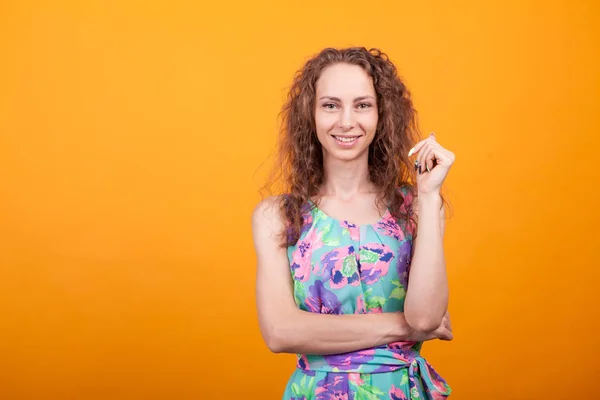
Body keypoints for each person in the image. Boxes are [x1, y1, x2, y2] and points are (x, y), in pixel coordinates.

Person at [252, 47, 456, 400]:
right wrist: (400, 326)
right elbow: (280, 332)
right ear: (310, 115)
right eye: (331, 105)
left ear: (382, 114)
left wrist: (428, 194)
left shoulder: (416, 207)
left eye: (362, 105)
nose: (347, 121)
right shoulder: (277, 215)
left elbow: (425, 319)